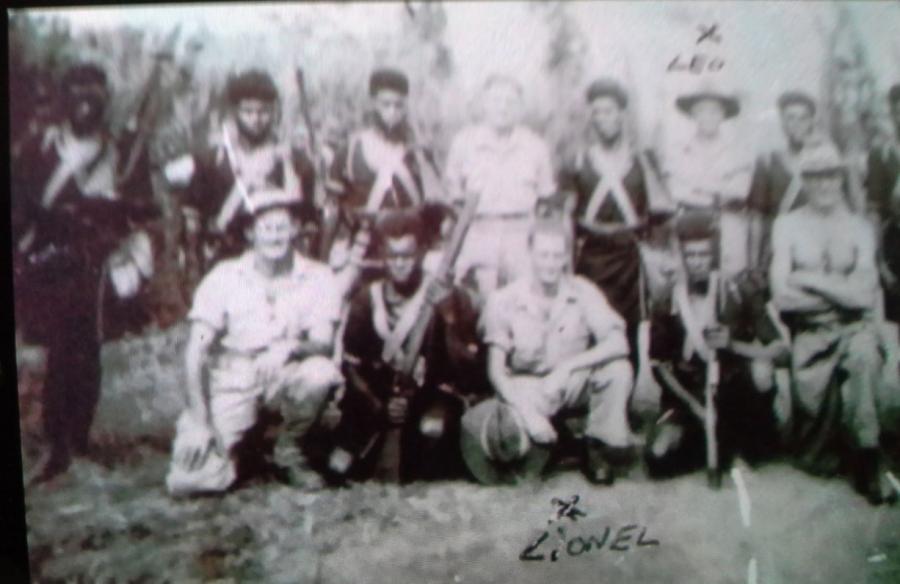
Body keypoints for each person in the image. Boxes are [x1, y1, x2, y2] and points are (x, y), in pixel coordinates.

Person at [12, 63, 158, 483]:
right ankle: (54, 441)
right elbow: (21, 206)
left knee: (87, 350)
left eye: (93, 94)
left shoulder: (121, 151)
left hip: (94, 260)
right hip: (49, 259)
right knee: (57, 350)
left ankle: (78, 439)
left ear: (104, 100)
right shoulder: (40, 149)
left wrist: (115, 205)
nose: (85, 103)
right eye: (76, 93)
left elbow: (144, 205)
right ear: (64, 99)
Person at [165, 188, 344, 496]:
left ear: (297, 229)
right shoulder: (224, 277)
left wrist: (289, 348)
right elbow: (196, 351)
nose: (275, 237)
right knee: (190, 481)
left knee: (320, 373)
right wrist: (199, 419)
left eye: (283, 227)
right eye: (265, 228)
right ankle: (245, 450)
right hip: (233, 380)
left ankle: (288, 449)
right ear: (250, 232)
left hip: (283, 375)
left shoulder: (318, 276)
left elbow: (324, 344)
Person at [462, 219, 634, 485]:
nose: (551, 264)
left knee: (617, 370)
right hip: (528, 389)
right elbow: (496, 372)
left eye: (557, 255)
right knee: (512, 440)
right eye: (544, 255)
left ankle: (596, 446)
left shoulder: (582, 290)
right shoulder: (504, 300)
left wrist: (569, 367)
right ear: (530, 254)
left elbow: (619, 343)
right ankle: (553, 441)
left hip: (571, 381)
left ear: (567, 257)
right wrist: (529, 416)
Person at [770, 150, 895, 505]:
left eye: (831, 176)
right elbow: (782, 298)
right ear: (805, 182)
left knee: (864, 357)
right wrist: (840, 291)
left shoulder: (859, 228)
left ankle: (868, 458)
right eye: (815, 176)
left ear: (841, 179)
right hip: (809, 334)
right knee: (815, 458)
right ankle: (825, 437)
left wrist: (808, 278)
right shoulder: (788, 225)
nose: (824, 184)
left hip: (853, 328)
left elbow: (864, 297)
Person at [328, 210, 484, 483]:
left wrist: (449, 317)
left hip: (428, 396)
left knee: (431, 433)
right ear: (382, 255)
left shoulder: (448, 296)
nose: (400, 264)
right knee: (339, 467)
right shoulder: (366, 299)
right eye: (393, 256)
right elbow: (351, 366)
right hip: (375, 399)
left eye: (408, 256)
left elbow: (469, 369)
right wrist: (379, 406)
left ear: (422, 253)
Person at [645, 213, 785, 479]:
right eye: (690, 256)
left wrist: (733, 345)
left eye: (704, 254)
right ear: (682, 258)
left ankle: (743, 438)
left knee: (760, 374)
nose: (697, 263)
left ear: (715, 255)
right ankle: (715, 443)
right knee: (658, 460)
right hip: (686, 398)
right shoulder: (667, 299)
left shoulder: (738, 290)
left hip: (734, 395)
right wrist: (697, 409)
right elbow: (659, 366)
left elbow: (780, 350)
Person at [163, 69, 318, 279]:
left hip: (277, 259)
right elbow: (193, 217)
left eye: (264, 111)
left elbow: (305, 216)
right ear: (235, 111)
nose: (256, 119)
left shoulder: (292, 157)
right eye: (248, 111)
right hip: (224, 256)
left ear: (274, 112)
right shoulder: (214, 156)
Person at [558, 78, 654, 363]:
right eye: (597, 112)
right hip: (591, 258)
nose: (603, 119)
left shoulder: (642, 161)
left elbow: (655, 213)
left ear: (622, 114)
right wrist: (566, 264)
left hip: (628, 258)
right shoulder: (577, 160)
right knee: (588, 327)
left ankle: (624, 399)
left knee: (629, 331)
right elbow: (565, 216)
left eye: (609, 111)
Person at [324, 68, 437, 292]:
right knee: (338, 300)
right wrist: (323, 256)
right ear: (373, 104)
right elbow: (332, 209)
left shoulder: (418, 152)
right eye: (385, 104)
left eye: (399, 105)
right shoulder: (351, 148)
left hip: (407, 254)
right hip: (363, 250)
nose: (392, 112)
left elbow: (434, 208)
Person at [444, 75, 556, 299]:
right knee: (475, 304)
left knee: (524, 302)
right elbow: (453, 196)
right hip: (478, 233)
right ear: (483, 104)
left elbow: (546, 202)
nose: (503, 108)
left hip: (521, 237)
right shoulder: (464, 143)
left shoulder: (535, 146)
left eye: (510, 102)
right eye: (496, 100)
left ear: (520, 108)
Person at [665, 83, 756, 279]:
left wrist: (696, 185)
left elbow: (740, 192)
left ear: (723, 115)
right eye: (702, 111)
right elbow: (677, 191)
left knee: (729, 285)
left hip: (729, 228)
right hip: (689, 228)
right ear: (693, 115)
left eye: (714, 111)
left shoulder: (738, 151)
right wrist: (720, 187)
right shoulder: (679, 150)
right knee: (690, 283)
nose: (708, 117)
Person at [750, 91, 840, 267]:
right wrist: (754, 261)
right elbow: (757, 217)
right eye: (791, 118)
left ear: (812, 121)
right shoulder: (768, 161)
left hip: (818, 246)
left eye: (803, 118)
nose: (797, 124)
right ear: (782, 123)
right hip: (779, 247)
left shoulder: (826, 159)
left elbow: (839, 209)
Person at [868, 83, 900, 323]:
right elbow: (875, 211)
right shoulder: (881, 154)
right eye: (898, 112)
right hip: (894, 245)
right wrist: (880, 261)